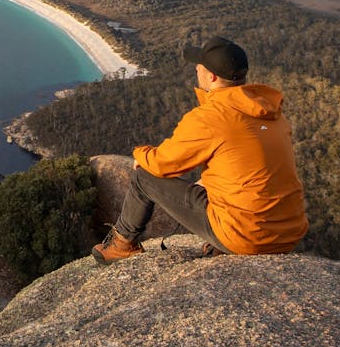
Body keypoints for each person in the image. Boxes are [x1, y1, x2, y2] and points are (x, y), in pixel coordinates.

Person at [92, 35, 306, 261]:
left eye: (199, 66)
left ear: (211, 76)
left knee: (144, 176)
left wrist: (140, 154)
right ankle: (224, 244)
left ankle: (121, 244)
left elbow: (163, 164)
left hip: (247, 236)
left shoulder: (212, 117)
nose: (196, 68)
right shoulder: (272, 113)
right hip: (289, 233)